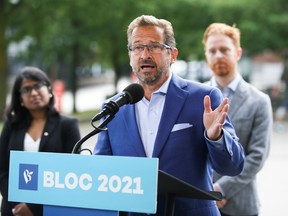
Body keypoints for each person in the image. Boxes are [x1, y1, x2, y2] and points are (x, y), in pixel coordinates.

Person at [94, 15, 245, 216]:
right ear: (130, 56)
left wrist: (215, 137)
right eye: (137, 47)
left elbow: (233, 167)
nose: (144, 54)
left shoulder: (204, 98)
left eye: (154, 46)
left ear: (172, 55)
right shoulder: (114, 108)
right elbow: (101, 173)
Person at [203, 23, 273, 216]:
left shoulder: (259, 101)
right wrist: (206, 190)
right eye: (212, 51)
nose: (218, 55)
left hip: (241, 206)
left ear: (238, 53)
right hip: (199, 201)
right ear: (206, 55)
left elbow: (257, 156)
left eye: (224, 50)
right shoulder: (195, 97)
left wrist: (220, 189)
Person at [0, 67, 81, 216]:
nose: (34, 93)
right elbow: (3, 170)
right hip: (13, 210)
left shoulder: (68, 125)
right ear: (20, 99)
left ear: (49, 90)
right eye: (26, 90)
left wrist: (34, 207)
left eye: (38, 86)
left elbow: (73, 174)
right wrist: (18, 204)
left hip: (52, 209)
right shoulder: (11, 126)